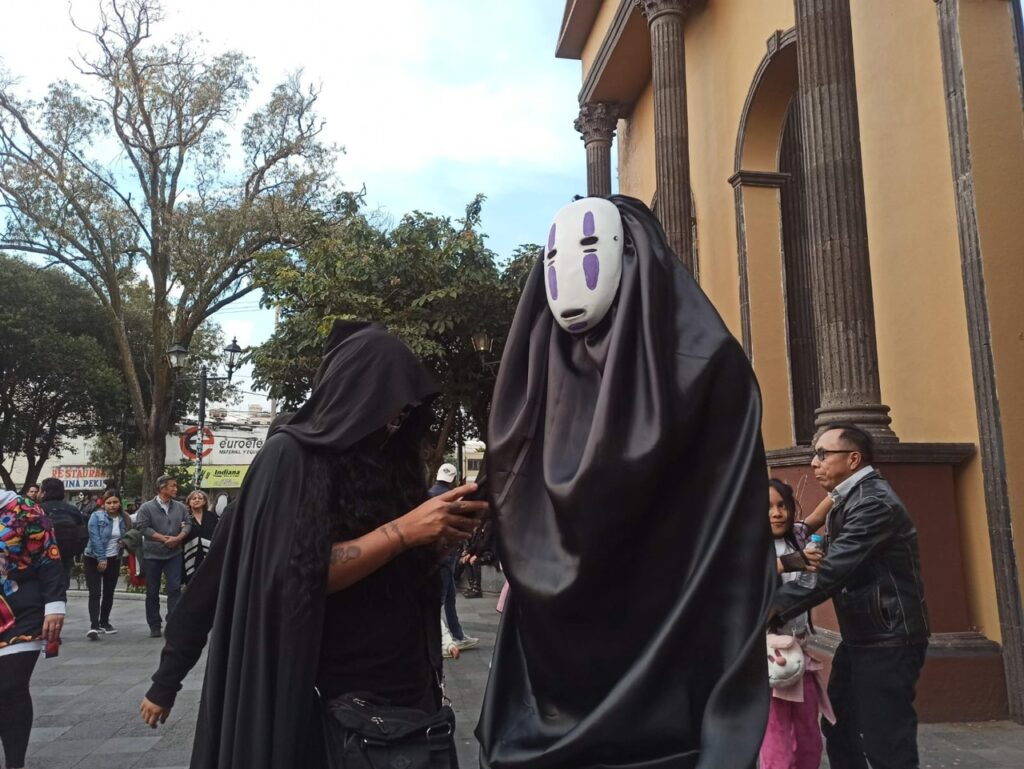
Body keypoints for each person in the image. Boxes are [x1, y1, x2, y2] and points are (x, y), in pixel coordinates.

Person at [479, 196, 774, 769]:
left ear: (632, 255)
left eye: (589, 248)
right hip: (555, 674)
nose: (568, 275)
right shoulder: (541, 368)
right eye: (553, 258)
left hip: (670, 660)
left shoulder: (706, 365)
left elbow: (727, 531)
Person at [138, 321, 487, 769]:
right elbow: (276, 576)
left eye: (406, 411)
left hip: (410, 698)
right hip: (326, 706)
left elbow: (388, 569)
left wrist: (434, 542)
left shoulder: (395, 466)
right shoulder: (289, 459)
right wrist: (166, 681)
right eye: (388, 406)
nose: (395, 422)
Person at [771, 424, 929, 769]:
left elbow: (831, 572)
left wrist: (771, 610)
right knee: (840, 727)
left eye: (822, 454)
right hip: (865, 635)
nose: (814, 463)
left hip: (888, 639)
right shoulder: (853, 497)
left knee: (886, 743)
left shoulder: (873, 503)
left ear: (853, 459)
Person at [760, 479, 835, 769]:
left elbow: (818, 515)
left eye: (782, 505)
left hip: (801, 654)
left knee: (808, 737)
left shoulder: (799, 535)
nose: (776, 513)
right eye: (767, 507)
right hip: (768, 660)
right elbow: (746, 573)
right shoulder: (749, 547)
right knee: (776, 740)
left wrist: (844, 484)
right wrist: (793, 561)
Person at [0, 490, 65, 769]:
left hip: (21, 610)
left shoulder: (24, 510)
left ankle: (15, 763)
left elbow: (49, 556)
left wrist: (55, 604)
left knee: (10, 687)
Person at [135, 476, 190, 638]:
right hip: (152, 555)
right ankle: (154, 624)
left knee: (174, 588)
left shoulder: (180, 507)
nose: (176, 489)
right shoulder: (146, 507)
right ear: (162, 488)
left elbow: (188, 524)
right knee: (152, 591)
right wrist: (163, 539)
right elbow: (142, 527)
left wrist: (178, 538)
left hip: (174, 554)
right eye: (173, 486)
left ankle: (173, 622)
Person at [431, 463, 479, 652]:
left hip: (435, 552)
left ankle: (457, 635)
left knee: (449, 596)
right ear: (454, 478)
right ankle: (442, 642)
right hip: (447, 553)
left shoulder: (428, 495)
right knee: (442, 598)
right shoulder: (453, 497)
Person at [83, 493, 133, 640]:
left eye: (115, 502)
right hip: (93, 557)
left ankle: (104, 622)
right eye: (109, 502)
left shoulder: (124, 518)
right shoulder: (96, 517)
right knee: (95, 592)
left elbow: (129, 534)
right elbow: (95, 538)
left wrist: (125, 542)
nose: (112, 505)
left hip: (114, 558)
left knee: (109, 592)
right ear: (103, 504)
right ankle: (94, 625)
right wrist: (101, 558)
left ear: (120, 503)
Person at [37, 478, 88, 591]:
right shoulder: (73, 510)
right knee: (61, 589)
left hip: (42, 557)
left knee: (42, 590)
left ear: (44, 492)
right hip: (66, 557)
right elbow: (83, 535)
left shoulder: (37, 510)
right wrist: (74, 550)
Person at [182, 490, 218, 585]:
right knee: (191, 582)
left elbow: (218, 534)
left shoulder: (212, 516)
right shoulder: (185, 517)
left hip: (209, 554)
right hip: (190, 554)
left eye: (200, 498)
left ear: (205, 501)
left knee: (209, 582)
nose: (197, 500)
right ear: (189, 502)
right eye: (194, 498)